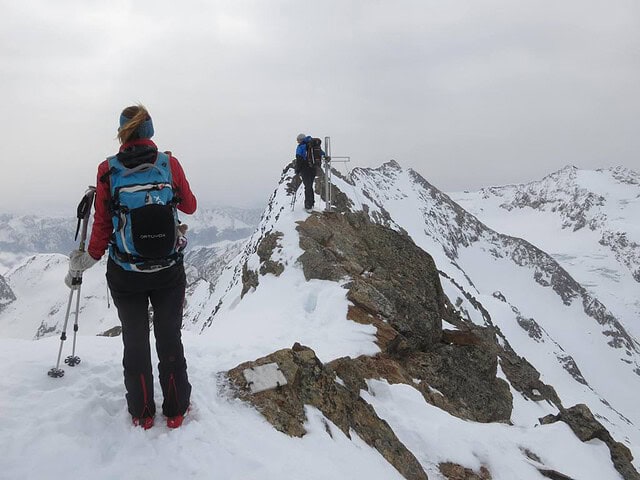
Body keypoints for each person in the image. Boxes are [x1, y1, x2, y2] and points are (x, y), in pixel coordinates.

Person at [65, 105, 197, 430]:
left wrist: (89, 258)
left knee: (135, 342)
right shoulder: (169, 163)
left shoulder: (107, 170)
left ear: (122, 133)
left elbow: (103, 226)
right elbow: (190, 206)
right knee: (169, 338)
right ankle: (176, 410)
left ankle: (143, 413)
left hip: (126, 274)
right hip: (168, 271)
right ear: (150, 131)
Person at [295, 133, 320, 212]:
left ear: (301, 140)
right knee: (310, 186)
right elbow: (321, 153)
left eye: (298, 140)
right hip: (313, 168)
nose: (297, 142)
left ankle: (308, 206)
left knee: (307, 186)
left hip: (305, 169)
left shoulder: (301, 147)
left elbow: (299, 159)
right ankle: (311, 203)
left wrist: (297, 170)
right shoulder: (313, 145)